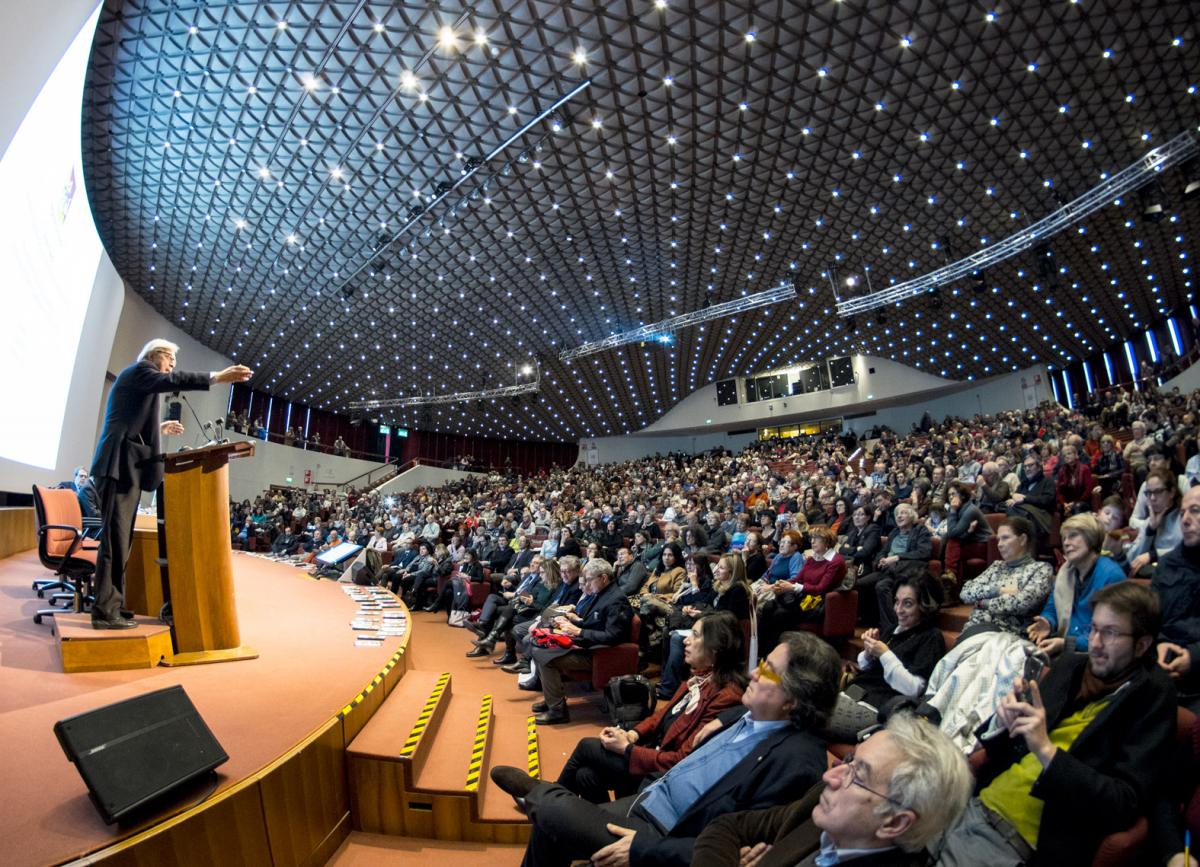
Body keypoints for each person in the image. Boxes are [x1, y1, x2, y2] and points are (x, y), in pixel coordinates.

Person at [491, 631, 841, 867]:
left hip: (662, 834)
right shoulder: (745, 713)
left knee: (555, 813)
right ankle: (546, 798)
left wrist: (644, 850)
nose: (754, 673)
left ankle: (538, 792)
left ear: (793, 700)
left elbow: (739, 850)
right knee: (552, 825)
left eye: (768, 671)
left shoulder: (797, 762)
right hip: (648, 800)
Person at [932, 581, 1177, 867]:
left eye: (1110, 633)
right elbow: (1007, 748)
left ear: (1142, 644)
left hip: (1014, 840)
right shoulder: (1072, 667)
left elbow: (1123, 802)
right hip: (972, 804)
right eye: (1094, 629)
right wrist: (1003, 721)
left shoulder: (1152, 696)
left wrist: (1045, 751)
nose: (1095, 643)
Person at [89, 339, 251, 628]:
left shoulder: (141, 379)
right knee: (114, 542)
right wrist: (216, 377)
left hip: (127, 468)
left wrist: (159, 428)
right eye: (170, 361)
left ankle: (113, 603)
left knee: (121, 541)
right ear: (155, 355)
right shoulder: (140, 371)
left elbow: (129, 420)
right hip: (118, 467)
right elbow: (172, 381)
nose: (172, 368)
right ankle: (104, 611)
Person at [692, 712, 972, 867]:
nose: (831, 776)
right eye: (850, 760)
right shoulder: (826, 810)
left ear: (894, 822)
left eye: (857, 775)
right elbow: (727, 826)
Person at [556, 611, 747, 803]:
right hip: (652, 754)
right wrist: (632, 735)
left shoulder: (726, 696)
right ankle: (600, 825)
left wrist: (627, 750)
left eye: (695, 635)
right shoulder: (700, 678)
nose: (686, 641)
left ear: (716, 648)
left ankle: (547, 800)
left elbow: (682, 760)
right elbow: (662, 715)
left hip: (664, 774)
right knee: (585, 775)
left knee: (586, 747)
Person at [826, 574, 947, 741]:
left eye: (908, 604)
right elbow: (867, 667)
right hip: (853, 694)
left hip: (877, 710)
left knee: (806, 716)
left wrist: (884, 654)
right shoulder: (893, 629)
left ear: (925, 606)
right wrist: (869, 652)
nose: (898, 610)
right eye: (897, 602)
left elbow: (915, 689)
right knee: (798, 705)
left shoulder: (931, 637)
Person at [528, 557, 633, 724]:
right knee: (538, 645)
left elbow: (613, 636)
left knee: (544, 657)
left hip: (598, 654)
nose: (587, 584)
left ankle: (557, 709)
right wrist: (572, 623)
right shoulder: (603, 594)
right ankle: (553, 699)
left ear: (604, 578)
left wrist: (579, 630)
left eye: (590, 579)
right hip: (587, 644)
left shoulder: (616, 600)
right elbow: (592, 622)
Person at [1026, 513, 1125, 657]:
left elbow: (1109, 634)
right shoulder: (1066, 572)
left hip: (1095, 654)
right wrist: (1048, 621)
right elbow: (1052, 608)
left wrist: (1067, 644)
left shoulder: (1111, 575)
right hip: (1066, 645)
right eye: (1064, 538)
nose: (1066, 543)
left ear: (1090, 538)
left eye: (1073, 536)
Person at [656, 553, 752, 698]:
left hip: (723, 634)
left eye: (721, 568)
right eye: (717, 566)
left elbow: (726, 618)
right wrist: (691, 609)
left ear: (731, 572)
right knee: (667, 631)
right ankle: (668, 681)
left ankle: (668, 689)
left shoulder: (738, 590)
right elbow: (703, 601)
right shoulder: (719, 586)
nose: (716, 570)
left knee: (676, 638)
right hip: (709, 626)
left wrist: (700, 615)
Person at [957, 516, 1053, 640]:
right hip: (972, 631)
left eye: (1005, 538)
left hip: (1006, 637)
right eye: (998, 539)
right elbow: (965, 592)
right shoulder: (996, 566)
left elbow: (1021, 603)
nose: (999, 544)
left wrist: (983, 602)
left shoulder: (1040, 569)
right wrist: (998, 589)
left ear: (1023, 539)